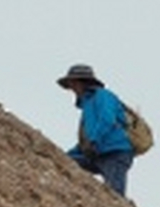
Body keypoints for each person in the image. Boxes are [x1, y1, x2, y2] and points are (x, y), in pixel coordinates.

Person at [57, 63, 134, 197]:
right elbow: (86, 138)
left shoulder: (102, 96)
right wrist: (65, 154)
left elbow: (107, 120)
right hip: (98, 152)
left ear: (82, 82)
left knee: (114, 195)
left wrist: (94, 141)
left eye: (73, 83)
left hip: (115, 152)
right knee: (67, 162)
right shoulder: (87, 104)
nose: (72, 88)